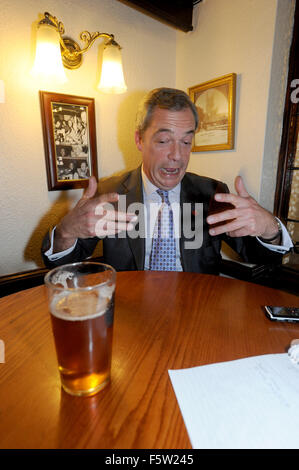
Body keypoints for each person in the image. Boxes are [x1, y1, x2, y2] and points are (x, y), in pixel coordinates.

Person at [42, 88, 292, 273]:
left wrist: (270, 229)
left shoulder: (211, 193)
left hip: (197, 312)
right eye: (164, 141)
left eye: (186, 141)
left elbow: (264, 257)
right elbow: (59, 264)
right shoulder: (111, 194)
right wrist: (66, 230)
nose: (177, 156)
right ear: (139, 139)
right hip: (131, 316)